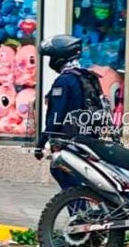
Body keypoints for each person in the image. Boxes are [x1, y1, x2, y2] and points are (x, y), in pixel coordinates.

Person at [35, 34, 108, 190]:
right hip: (89, 139)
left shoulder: (64, 81)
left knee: (61, 172)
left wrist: (41, 143)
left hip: (70, 141)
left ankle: (79, 213)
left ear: (59, 57)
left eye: (51, 56)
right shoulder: (88, 77)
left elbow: (56, 116)